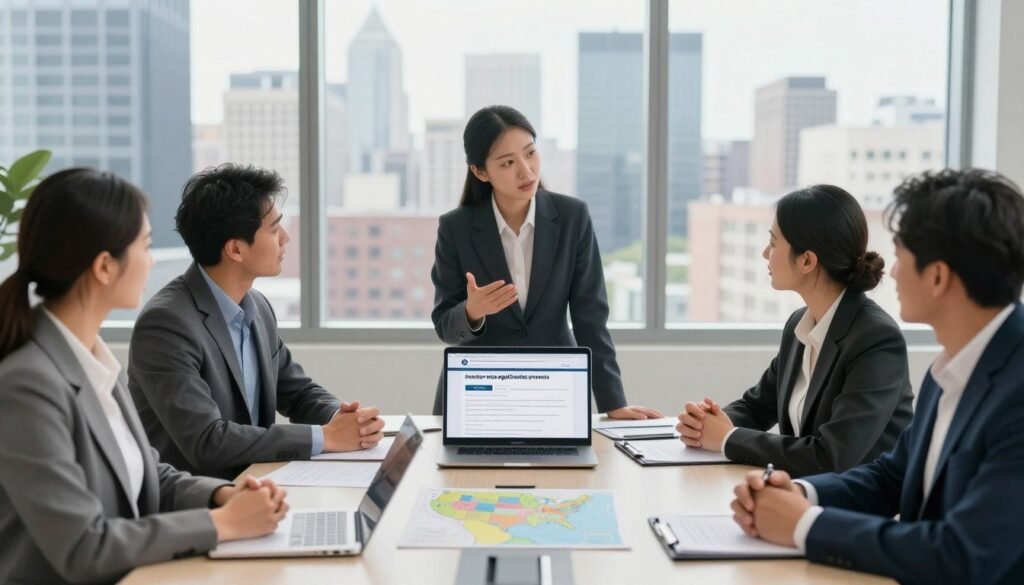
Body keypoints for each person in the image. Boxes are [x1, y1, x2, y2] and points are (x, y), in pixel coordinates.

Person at [731, 169, 1024, 584]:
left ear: (937, 276)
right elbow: (892, 476)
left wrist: (804, 525)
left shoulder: (1017, 391)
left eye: (902, 256)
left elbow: (962, 555)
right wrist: (801, 495)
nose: (892, 272)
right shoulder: (952, 369)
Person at [0, 169, 289, 585]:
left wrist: (222, 495)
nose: (152, 261)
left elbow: (144, 472)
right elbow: (84, 547)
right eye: (146, 246)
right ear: (104, 266)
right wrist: (223, 524)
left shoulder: (91, 359)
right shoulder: (27, 385)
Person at [128, 164, 384, 480]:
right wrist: (326, 437)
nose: (286, 238)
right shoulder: (167, 324)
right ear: (235, 248)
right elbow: (206, 441)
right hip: (197, 503)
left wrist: (346, 420)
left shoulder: (256, 306)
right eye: (275, 229)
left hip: (255, 484)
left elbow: (297, 392)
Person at [430, 105, 662, 420]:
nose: (526, 171)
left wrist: (612, 403)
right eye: (508, 162)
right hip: (478, 395)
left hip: (554, 390)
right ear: (481, 172)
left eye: (530, 154)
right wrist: (473, 312)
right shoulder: (455, 228)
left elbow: (590, 317)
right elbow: (445, 325)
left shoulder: (572, 217)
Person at [676, 185, 913, 477]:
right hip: (802, 495)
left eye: (773, 243)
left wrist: (726, 438)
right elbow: (758, 406)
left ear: (806, 261)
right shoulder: (800, 325)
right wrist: (707, 423)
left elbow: (831, 456)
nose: (765, 253)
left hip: (856, 511)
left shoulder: (875, 339)